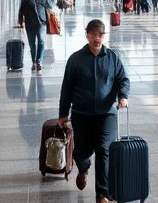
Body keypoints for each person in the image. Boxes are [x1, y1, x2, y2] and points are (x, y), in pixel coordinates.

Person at [58, 20, 130, 203]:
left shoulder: (112, 57)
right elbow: (66, 88)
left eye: (101, 34)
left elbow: (123, 79)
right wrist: (63, 114)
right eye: (94, 34)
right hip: (82, 115)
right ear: (87, 35)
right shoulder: (75, 59)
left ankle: (102, 194)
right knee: (81, 153)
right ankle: (83, 168)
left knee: (104, 150)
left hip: (107, 114)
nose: (97, 38)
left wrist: (123, 96)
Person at [18, 0, 51, 72]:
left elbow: (50, 5)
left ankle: (39, 60)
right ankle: (33, 61)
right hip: (30, 22)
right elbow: (21, 9)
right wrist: (20, 21)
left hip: (41, 22)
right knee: (32, 44)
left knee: (41, 41)